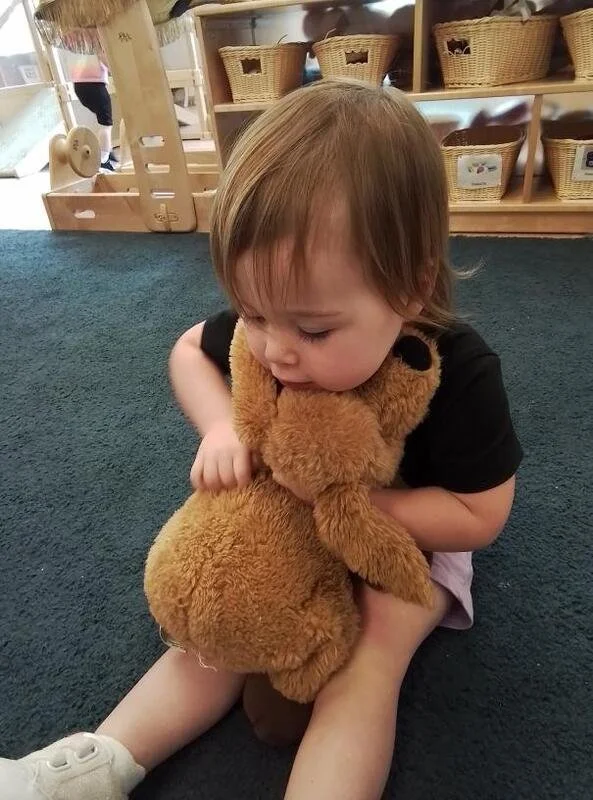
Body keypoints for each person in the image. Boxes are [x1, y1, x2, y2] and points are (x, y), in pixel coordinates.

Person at [1, 79, 522, 800]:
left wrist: (354, 510)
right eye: (252, 314)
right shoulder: (278, 319)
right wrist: (221, 424)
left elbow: (478, 514)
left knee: (371, 654)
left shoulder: (456, 370)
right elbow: (189, 351)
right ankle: (96, 765)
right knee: (215, 632)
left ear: (409, 288)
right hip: (281, 517)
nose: (275, 351)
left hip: (409, 538)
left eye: (313, 330)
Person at [69, 52, 117, 171]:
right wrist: (116, 71)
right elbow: (103, 56)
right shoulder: (97, 42)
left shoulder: (81, 45)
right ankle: (103, 160)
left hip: (79, 86)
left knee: (102, 118)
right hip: (94, 85)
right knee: (106, 124)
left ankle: (107, 149)